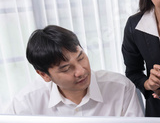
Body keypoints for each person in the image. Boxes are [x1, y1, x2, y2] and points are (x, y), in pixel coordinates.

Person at [6, 25, 143, 117]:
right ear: (44, 75)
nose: (81, 71)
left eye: (81, 57)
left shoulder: (120, 88)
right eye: (66, 68)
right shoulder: (27, 101)